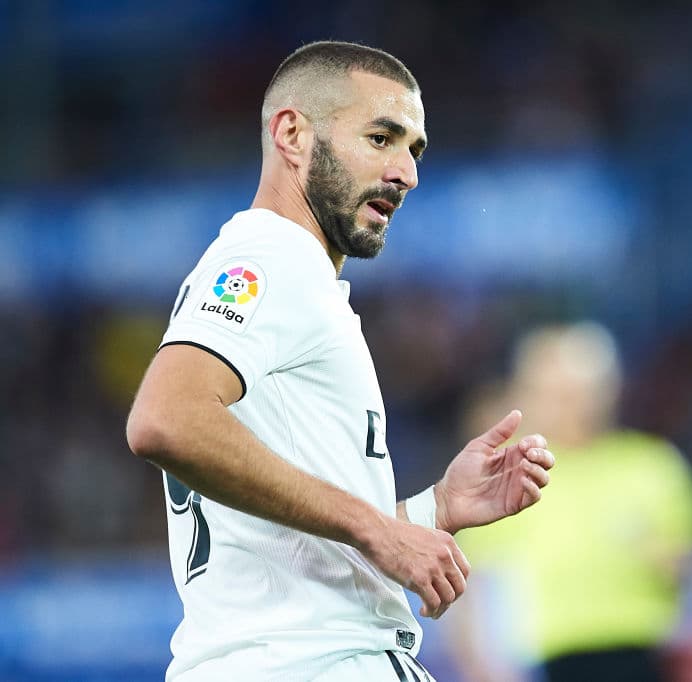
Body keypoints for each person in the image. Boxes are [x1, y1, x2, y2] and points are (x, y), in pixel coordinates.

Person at [125, 41, 555, 682]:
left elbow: (289, 552)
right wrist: (376, 529)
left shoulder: (284, 277)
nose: (406, 173)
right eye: (381, 138)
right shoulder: (273, 258)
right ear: (292, 134)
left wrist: (434, 509)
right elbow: (166, 420)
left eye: (414, 150)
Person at [446, 323, 692, 682]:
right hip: (546, 659)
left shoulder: (651, 465)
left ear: (608, 391)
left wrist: (663, 558)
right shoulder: (509, 472)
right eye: (552, 393)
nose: (567, 406)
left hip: (639, 651)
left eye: (576, 392)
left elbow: (689, 564)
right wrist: (481, 668)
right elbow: (466, 585)